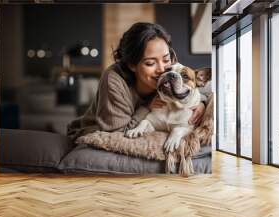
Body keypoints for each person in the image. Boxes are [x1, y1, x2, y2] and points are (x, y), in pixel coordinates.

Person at [67, 22, 206, 141]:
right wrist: (146, 108)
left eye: (166, 59)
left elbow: (192, 84)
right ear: (132, 64)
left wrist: (202, 102)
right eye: (151, 63)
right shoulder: (114, 79)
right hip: (94, 132)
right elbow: (118, 134)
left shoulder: (170, 72)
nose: (163, 69)